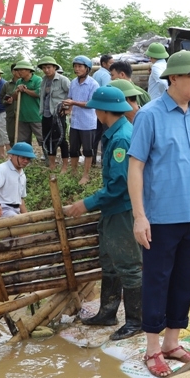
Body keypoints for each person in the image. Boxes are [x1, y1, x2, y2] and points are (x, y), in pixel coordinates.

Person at [128, 50, 190, 377]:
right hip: (161, 216)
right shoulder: (149, 115)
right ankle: (153, 350)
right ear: (173, 79)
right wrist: (140, 216)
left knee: (184, 279)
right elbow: (135, 167)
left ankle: (172, 342)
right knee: (157, 280)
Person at [65, 87, 142, 341]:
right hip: (112, 208)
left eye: (97, 108)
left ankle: (136, 321)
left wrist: (87, 203)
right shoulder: (115, 133)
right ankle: (108, 312)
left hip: (123, 208)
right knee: (110, 259)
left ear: (104, 111)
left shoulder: (121, 138)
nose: (95, 112)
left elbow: (120, 185)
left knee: (129, 264)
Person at [64, 55, 100, 184]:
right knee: (73, 149)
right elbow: (70, 100)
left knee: (87, 150)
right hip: (75, 122)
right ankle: (73, 172)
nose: (77, 69)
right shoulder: (73, 82)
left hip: (88, 123)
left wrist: (73, 102)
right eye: (75, 66)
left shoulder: (93, 84)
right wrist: (66, 108)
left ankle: (85, 175)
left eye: (80, 66)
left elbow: (92, 104)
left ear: (87, 68)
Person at [37, 56, 71, 172]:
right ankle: (52, 165)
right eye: (44, 68)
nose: (46, 70)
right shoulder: (44, 80)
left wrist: (67, 109)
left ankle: (65, 166)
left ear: (54, 68)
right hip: (46, 114)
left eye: (49, 67)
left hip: (58, 114)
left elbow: (71, 95)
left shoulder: (63, 80)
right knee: (48, 140)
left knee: (61, 140)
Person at [0, 142, 35, 218]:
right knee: (18, 222)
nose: (26, 161)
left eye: (28, 159)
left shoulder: (22, 175)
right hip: (2, 208)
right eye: (23, 157)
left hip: (15, 209)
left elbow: (20, 199)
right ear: (12, 156)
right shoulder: (1, 169)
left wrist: (27, 216)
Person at [13, 60, 43, 151]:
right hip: (22, 116)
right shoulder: (19, 82)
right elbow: (14, 97)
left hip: (36, 116)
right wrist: (17, 91)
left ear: (29, 70)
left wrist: (25, 90)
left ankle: (48, 159)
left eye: (21, 70)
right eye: (18, 70)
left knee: (42, 139)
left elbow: (38, 94)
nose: (19, 72)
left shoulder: (38, 80)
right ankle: (25, 159)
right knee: (23, 141)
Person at [1, 63, 18, 145]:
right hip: (11, 114)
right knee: (11, 136)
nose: (18, 72)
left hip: (23, 115)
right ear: (12, 71)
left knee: (23, 136)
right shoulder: (7, 85)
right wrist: (6, 101)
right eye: (16, 70)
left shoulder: (26, 83)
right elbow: (1, 98)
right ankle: (14, 156)